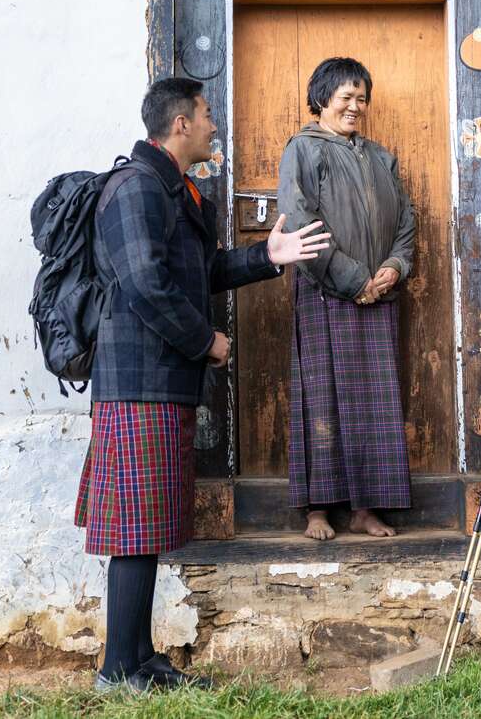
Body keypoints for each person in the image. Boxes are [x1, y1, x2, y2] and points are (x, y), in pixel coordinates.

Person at [75, 77, 330, 692]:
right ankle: (118, 670)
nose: (216, 125)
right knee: (136, 530)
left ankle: (138, 659)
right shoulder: (137, 189)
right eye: (208, 114)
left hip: (161, 384)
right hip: (138, 384)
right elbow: (143, 286)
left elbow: (204, 270)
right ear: (181, 123)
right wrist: (205, 341)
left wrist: (269, 254)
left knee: (147, 526)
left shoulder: (176, 190)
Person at [278, 56, 415, 541]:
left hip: (379, 295)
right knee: (322, 399)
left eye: (362, 98)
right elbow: (300, 222)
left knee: (375, 404)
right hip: (325, 293)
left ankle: (365, 507)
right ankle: (318, 508)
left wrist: (392, 269)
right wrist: (353, 279)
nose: (356, 106)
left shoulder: (380, 157)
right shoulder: (304, 149)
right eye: (346, 97)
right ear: (322, 99)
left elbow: (405, 223)